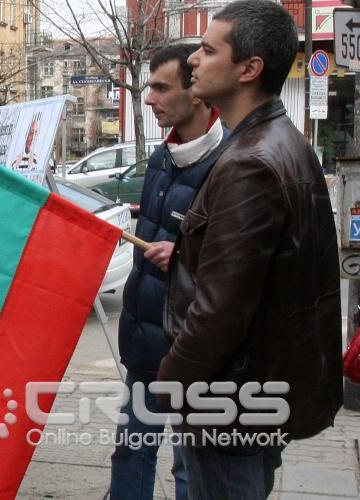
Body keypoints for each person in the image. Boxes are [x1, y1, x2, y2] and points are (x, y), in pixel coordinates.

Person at [158, 1, 342, 498]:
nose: (193, 59)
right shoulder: (284, 142)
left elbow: (222, 309)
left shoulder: (250, 162)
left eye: (208, 49)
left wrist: (170, 381)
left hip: (229, 403)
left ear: (249, 68)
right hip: (256, 392)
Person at [109, 43, 226, 500]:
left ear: (196, 93)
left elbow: (237, 266)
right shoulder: (161, 156)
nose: (149, 98)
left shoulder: (230, 163)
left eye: (161, 87)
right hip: (144, 343)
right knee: (131, 450)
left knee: (188, 466)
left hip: (194, 353)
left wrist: (180, 255)